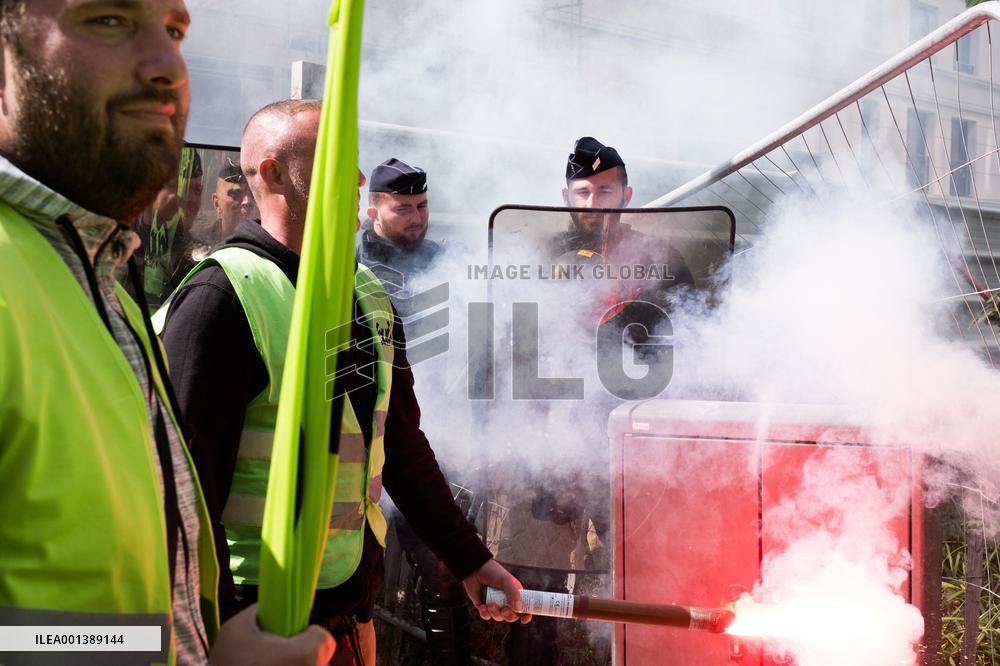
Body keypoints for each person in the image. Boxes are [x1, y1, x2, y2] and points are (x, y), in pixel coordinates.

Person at [0, 1, 333, 665]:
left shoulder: (95, 277)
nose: (169, 67)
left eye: (175, 30)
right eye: (108, 18)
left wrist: (191, 649)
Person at [157, 99, 529, 666]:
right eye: (335, 159)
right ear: (272, 173)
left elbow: (400, 446)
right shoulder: (220, 299)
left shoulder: (366, 294)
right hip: (253, 623)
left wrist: (469, 559)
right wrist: (216, 633)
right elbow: (179, 499)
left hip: (349, 610)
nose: (357, 178)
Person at [356, 158, 442, 300]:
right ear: (374, 215)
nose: (416, 219)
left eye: (422, 206)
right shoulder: (356, 272)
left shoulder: (443, 257)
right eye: (403, 209)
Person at [134, 146, 205, 308]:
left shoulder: (198, 257)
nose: (187, 199)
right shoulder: (121, 243)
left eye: (197, 190)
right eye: (177, 187)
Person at [211, 157, 253, 240]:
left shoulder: (263, 243)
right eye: (236, 194)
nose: (247, 201)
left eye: (252, 194)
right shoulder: (202, 243)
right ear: (217, 203)